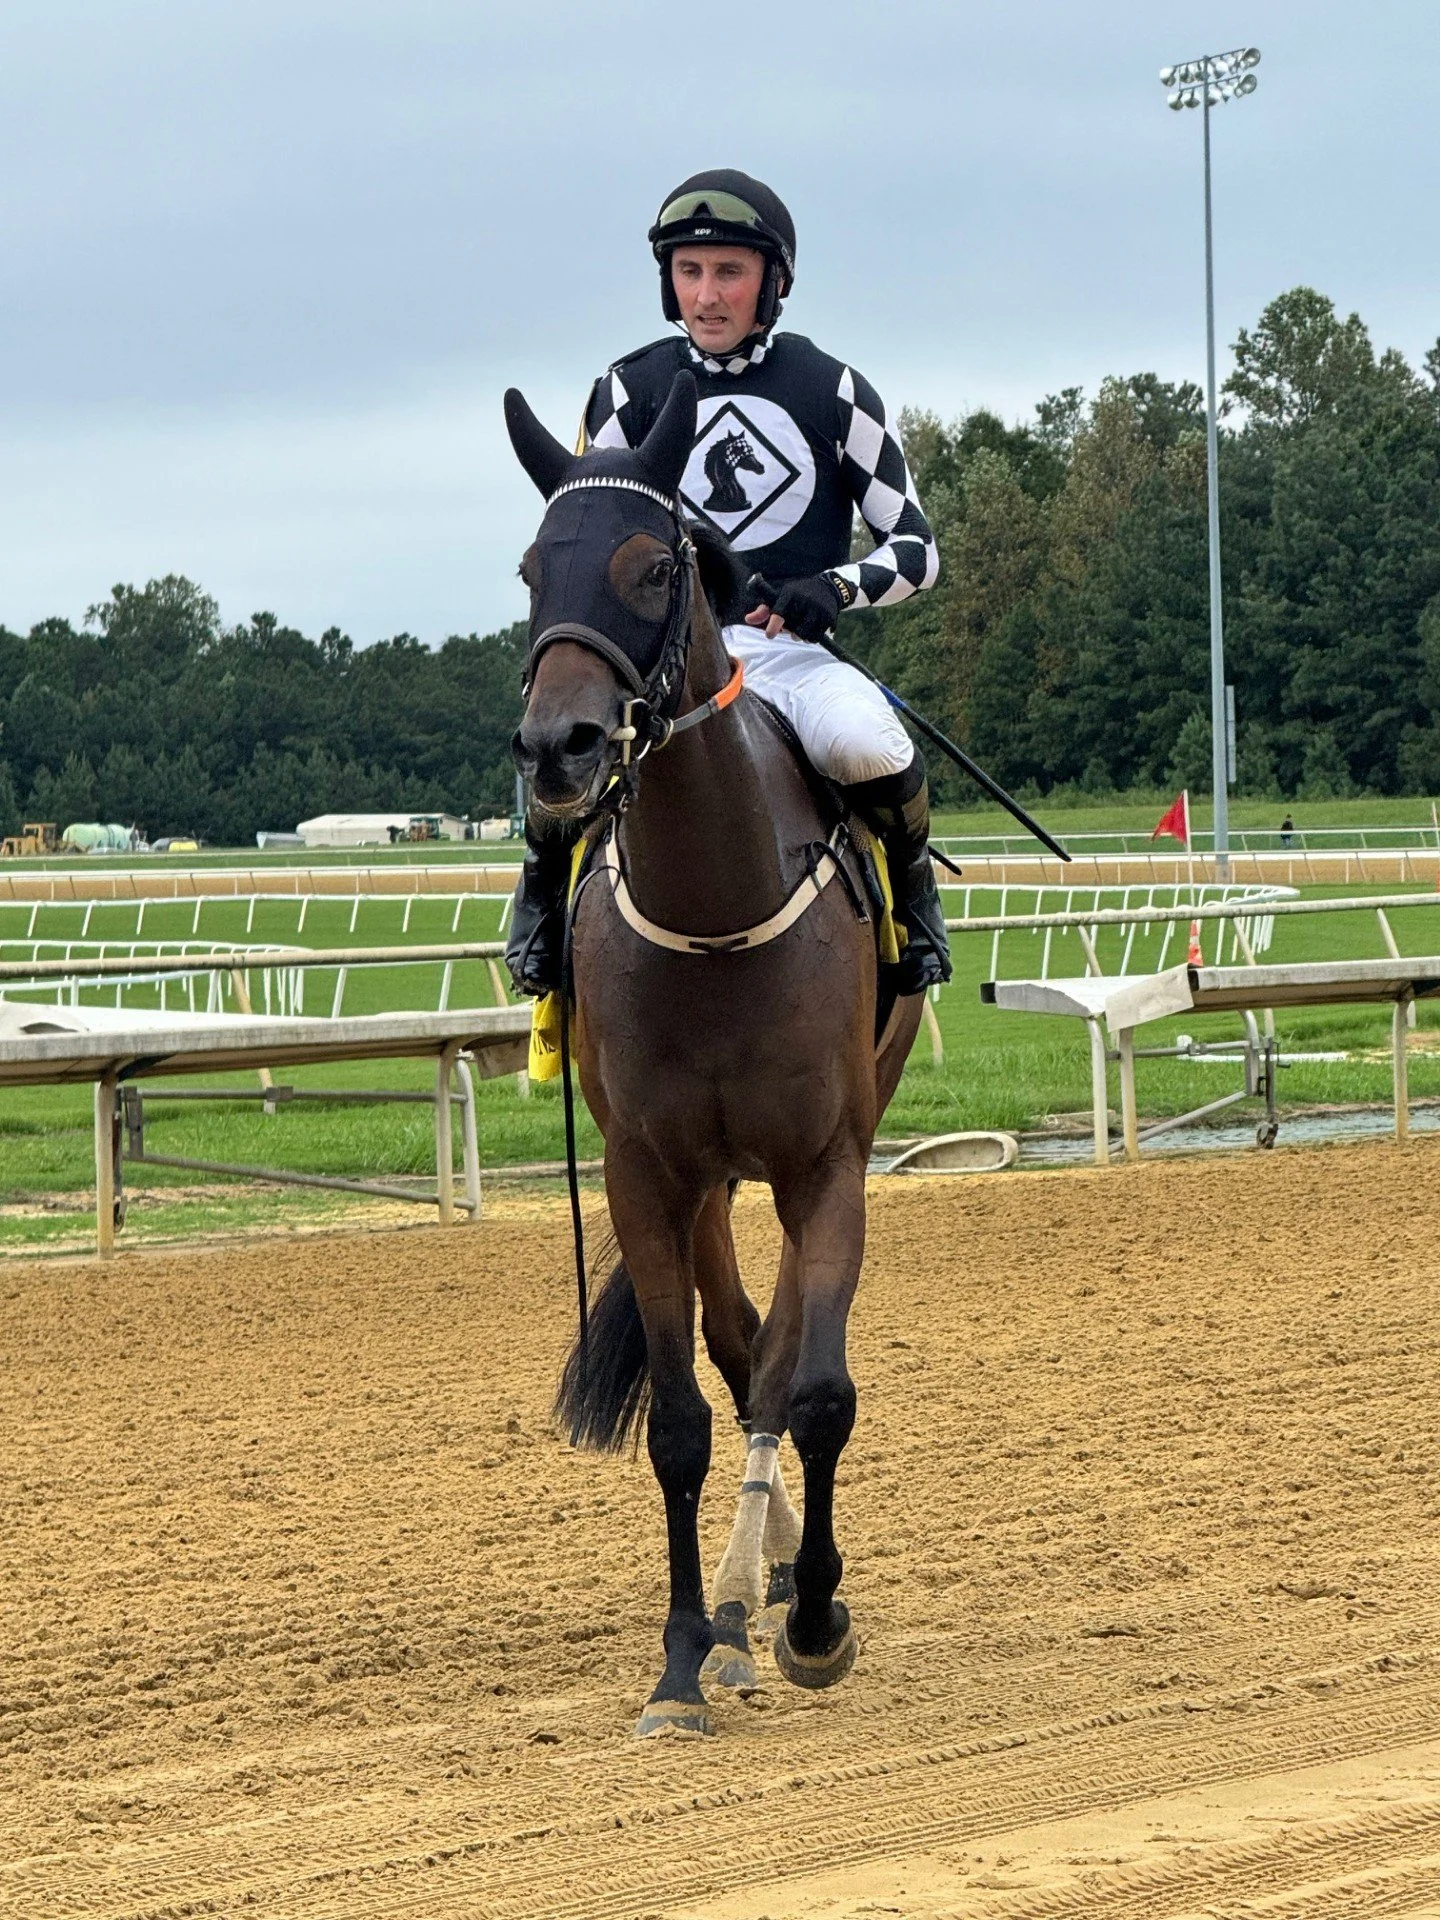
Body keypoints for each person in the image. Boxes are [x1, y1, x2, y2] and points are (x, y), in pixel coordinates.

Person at [508, 167, 948, 997]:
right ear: (670, 284)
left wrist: (839, 587)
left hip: (790, 657)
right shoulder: (625, 391)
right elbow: (583, 538)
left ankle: (914, 909)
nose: (708, 296)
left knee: (870, 746)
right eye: (690, 272)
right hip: (663, 663)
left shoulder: (836, 391)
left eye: (730, 272)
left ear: (773, 283)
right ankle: (540, 901)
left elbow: (918, 549)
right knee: (566, 735)